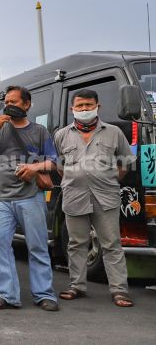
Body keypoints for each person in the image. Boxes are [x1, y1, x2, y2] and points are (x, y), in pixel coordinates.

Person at [0, 85, 59, 311]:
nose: (9, 105)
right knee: (1, 246)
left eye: (14, 102)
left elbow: (54, 162)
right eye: (6, 102)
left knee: (37, 246)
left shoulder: (40, 131)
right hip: (1, 198)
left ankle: (45, 295)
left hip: (30, 196)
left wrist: (35, 168)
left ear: (27, 105)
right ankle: (6, 295)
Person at [54, 89, 135, 307]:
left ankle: (119, 291)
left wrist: (107, 180)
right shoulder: (62, 135)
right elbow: (60, 167)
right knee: (76, 244)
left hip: (106, 197)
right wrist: (76, 178)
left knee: (112, 244)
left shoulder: (114, 132)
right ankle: (77, 287)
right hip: (74, 197)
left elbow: (125, 164)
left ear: (98, 106)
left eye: (88, 105)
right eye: (79, 106)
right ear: (72, 109)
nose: (84, 109)